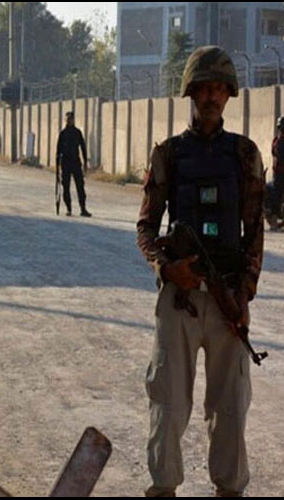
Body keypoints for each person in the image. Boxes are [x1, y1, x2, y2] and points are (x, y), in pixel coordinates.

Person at [136, 46, 265, 498]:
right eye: (204, 89)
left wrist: (245, 295)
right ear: (191, 92)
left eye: (219, 89)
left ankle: (229, 490)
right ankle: (164, 488)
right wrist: (167, 268)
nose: (211, 97)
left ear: (228, 95)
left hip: (228, 297)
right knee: (168, 402)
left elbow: (254, 235)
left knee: (230, 407)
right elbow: (146, 227)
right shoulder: (168, 155)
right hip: (180, 298)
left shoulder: (245, 155)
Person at [55, 111, 91, 217]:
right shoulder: (62, 134)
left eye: (70, 118)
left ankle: (83, 209)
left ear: (73, 119)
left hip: (76, 163)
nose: (69, 120)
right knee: (66, 187)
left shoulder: (77, 132)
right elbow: (58, 151)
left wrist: (85, 162)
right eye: (67, 119)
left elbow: (83, 147)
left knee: (80, 186)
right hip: (65, 163)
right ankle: (69, 208)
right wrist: (57, 166)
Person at [268, 116, 284, 229]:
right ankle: (274, 220)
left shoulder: (277, 140)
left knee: (277, 196)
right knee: (276, 196)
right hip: (279, 173)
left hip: (279, 172)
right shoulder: (278, 141)